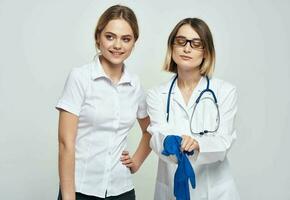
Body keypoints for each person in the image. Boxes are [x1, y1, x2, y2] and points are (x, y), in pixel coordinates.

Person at [56, 5, 151, 200]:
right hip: (81, 189)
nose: (118, 45)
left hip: (121, 190)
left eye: (126, 39)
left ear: (134, 43)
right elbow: (66, 143)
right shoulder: (80, 77)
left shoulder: (135, 84)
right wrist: (68, 196)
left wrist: (137, 161)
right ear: (98, 37)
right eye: (110, 36)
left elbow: (151, 130)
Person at [147, 18, 240, 200]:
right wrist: (168, 142)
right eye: (181, 42)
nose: (187, 49)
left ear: (206, 52)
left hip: (216, 191)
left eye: (196, 44)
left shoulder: (225, 92)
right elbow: (156, 136)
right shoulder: (156, 94)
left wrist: (198, 145)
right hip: (171, 190)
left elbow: (224, 142)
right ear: (172, 46)